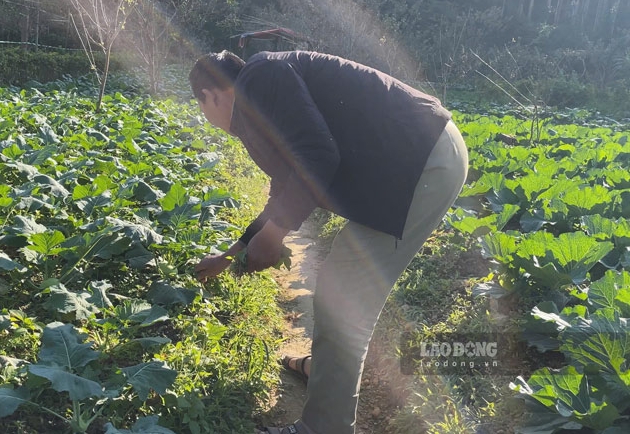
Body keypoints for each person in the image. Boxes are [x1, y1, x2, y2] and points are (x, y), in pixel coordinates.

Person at [189, 50, 468, 434]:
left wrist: (275, 234)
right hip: (419, 156)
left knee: (343, 296)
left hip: (421, 162)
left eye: (200, 106)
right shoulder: (262, 94)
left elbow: (317, 155)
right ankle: (325, 373)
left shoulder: (259, 79)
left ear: (210, 96)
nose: (206, 116)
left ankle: (324, 426)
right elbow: (285, 184)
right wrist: (231, 254)